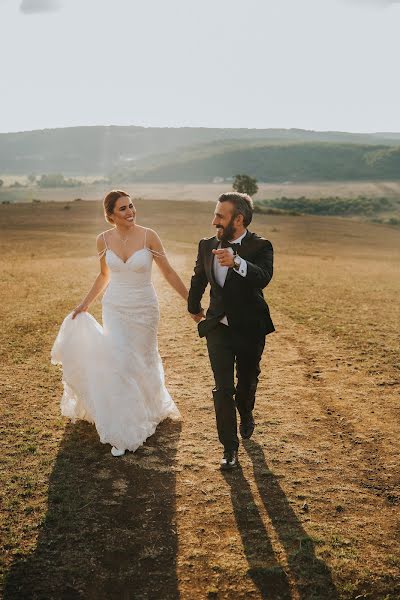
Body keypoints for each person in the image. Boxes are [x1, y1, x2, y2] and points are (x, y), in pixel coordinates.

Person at [51, 190, 187, 456]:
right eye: (123, 208)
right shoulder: (102, 240)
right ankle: (126, 423)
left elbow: (168, 271)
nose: (130, 212)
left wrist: (190, 302)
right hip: (115, 307)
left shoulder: (149, 236)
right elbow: (103, 276)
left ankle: (149, 408)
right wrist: (85, 303)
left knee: (143, 359)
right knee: (120, 361)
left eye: (132, 206)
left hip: (145, 308)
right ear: (111, 215)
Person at [188, 192, 274, 470]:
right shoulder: (206, 244)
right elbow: (199, 276)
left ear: (239, 219)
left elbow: (264, 277)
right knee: (222, 389)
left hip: (250, 327)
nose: (214, 221)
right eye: (215, 214)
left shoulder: (261, 246)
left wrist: (236, 262)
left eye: (220, 216)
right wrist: (193, 306)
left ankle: (246, 411)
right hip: (218, 328)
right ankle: (229, 449)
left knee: (246, 382)